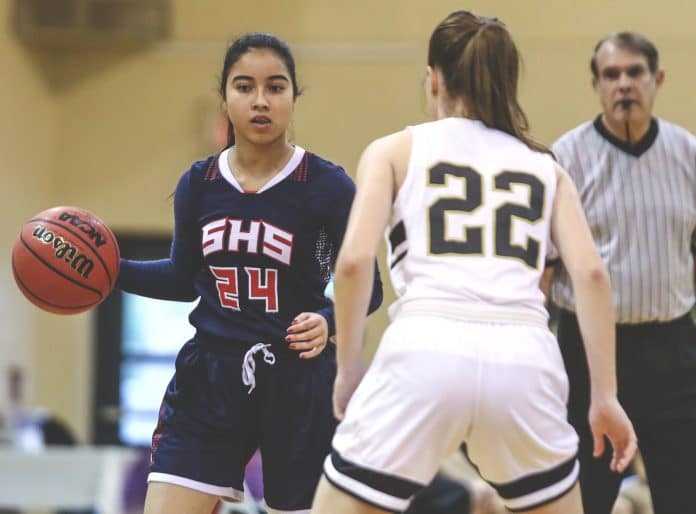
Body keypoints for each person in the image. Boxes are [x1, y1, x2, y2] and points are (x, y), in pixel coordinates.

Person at [310, 10, 637, 514]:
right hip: (525, 361)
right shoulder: (546, 167)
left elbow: (353, 262)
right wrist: (605, 396)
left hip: (425, 349)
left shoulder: (394, 151)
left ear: (434, 79)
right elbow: (592, 275)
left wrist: (348, 368)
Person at [116, 32, 383, 514]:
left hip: (297, 381)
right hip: (210, 377)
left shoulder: (327, 185)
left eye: (276, 87)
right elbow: (182, 277)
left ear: (294, 98)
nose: (261, 101)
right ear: (225, 97)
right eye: (245, 87)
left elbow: (369, 287)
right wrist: (110, 271)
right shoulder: (200, 184)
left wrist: (329, 319)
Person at [544, 31, 696, 514]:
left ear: (658, 80)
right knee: (588, 497)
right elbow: (543, 272)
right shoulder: (564, 160)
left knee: (683, 493)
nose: (624, 84)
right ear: (596, 84)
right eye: (612, 75)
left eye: (635, 73)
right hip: (588, 354)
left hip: (673, 349)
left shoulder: (688, 155)